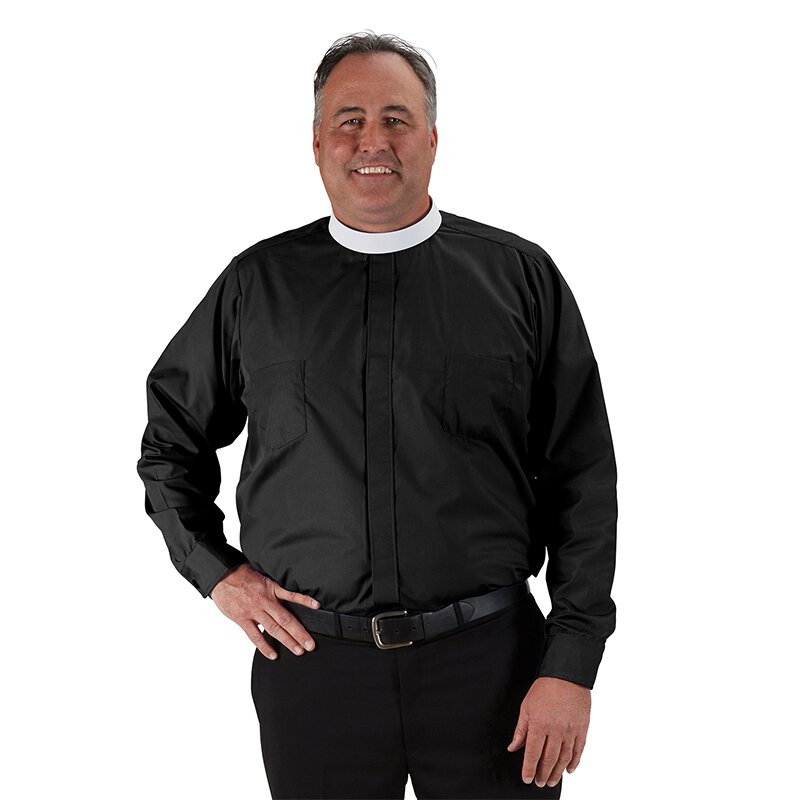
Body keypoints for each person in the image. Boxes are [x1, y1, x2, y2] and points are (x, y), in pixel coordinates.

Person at [136, 31, 617, 800]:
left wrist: (572, 664)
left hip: (495, 667)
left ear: (432, 138)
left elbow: (582, 477)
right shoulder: (257, 287)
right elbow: (170, 444)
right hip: (313, 669)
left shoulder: (518, 278)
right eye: (350, 120)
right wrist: (217, 574)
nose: (373, 141)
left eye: (396, 119)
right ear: (317, 143)